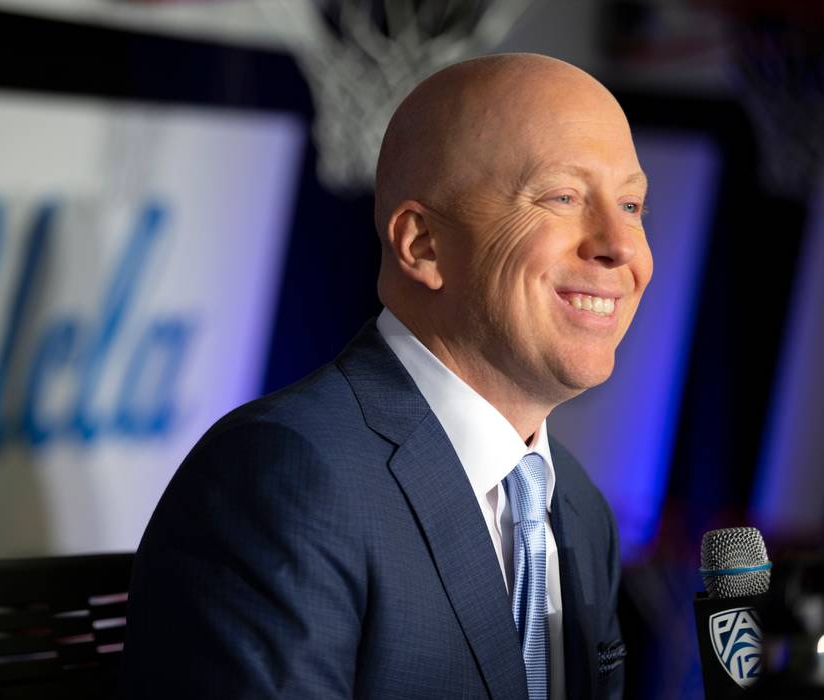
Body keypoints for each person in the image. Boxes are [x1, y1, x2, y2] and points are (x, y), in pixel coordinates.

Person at [117, 52, 652, 699]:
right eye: (563, 197)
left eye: (631, 204)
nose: (619, 246)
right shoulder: (285, 480)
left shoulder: (580, 509)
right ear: (423, 245)